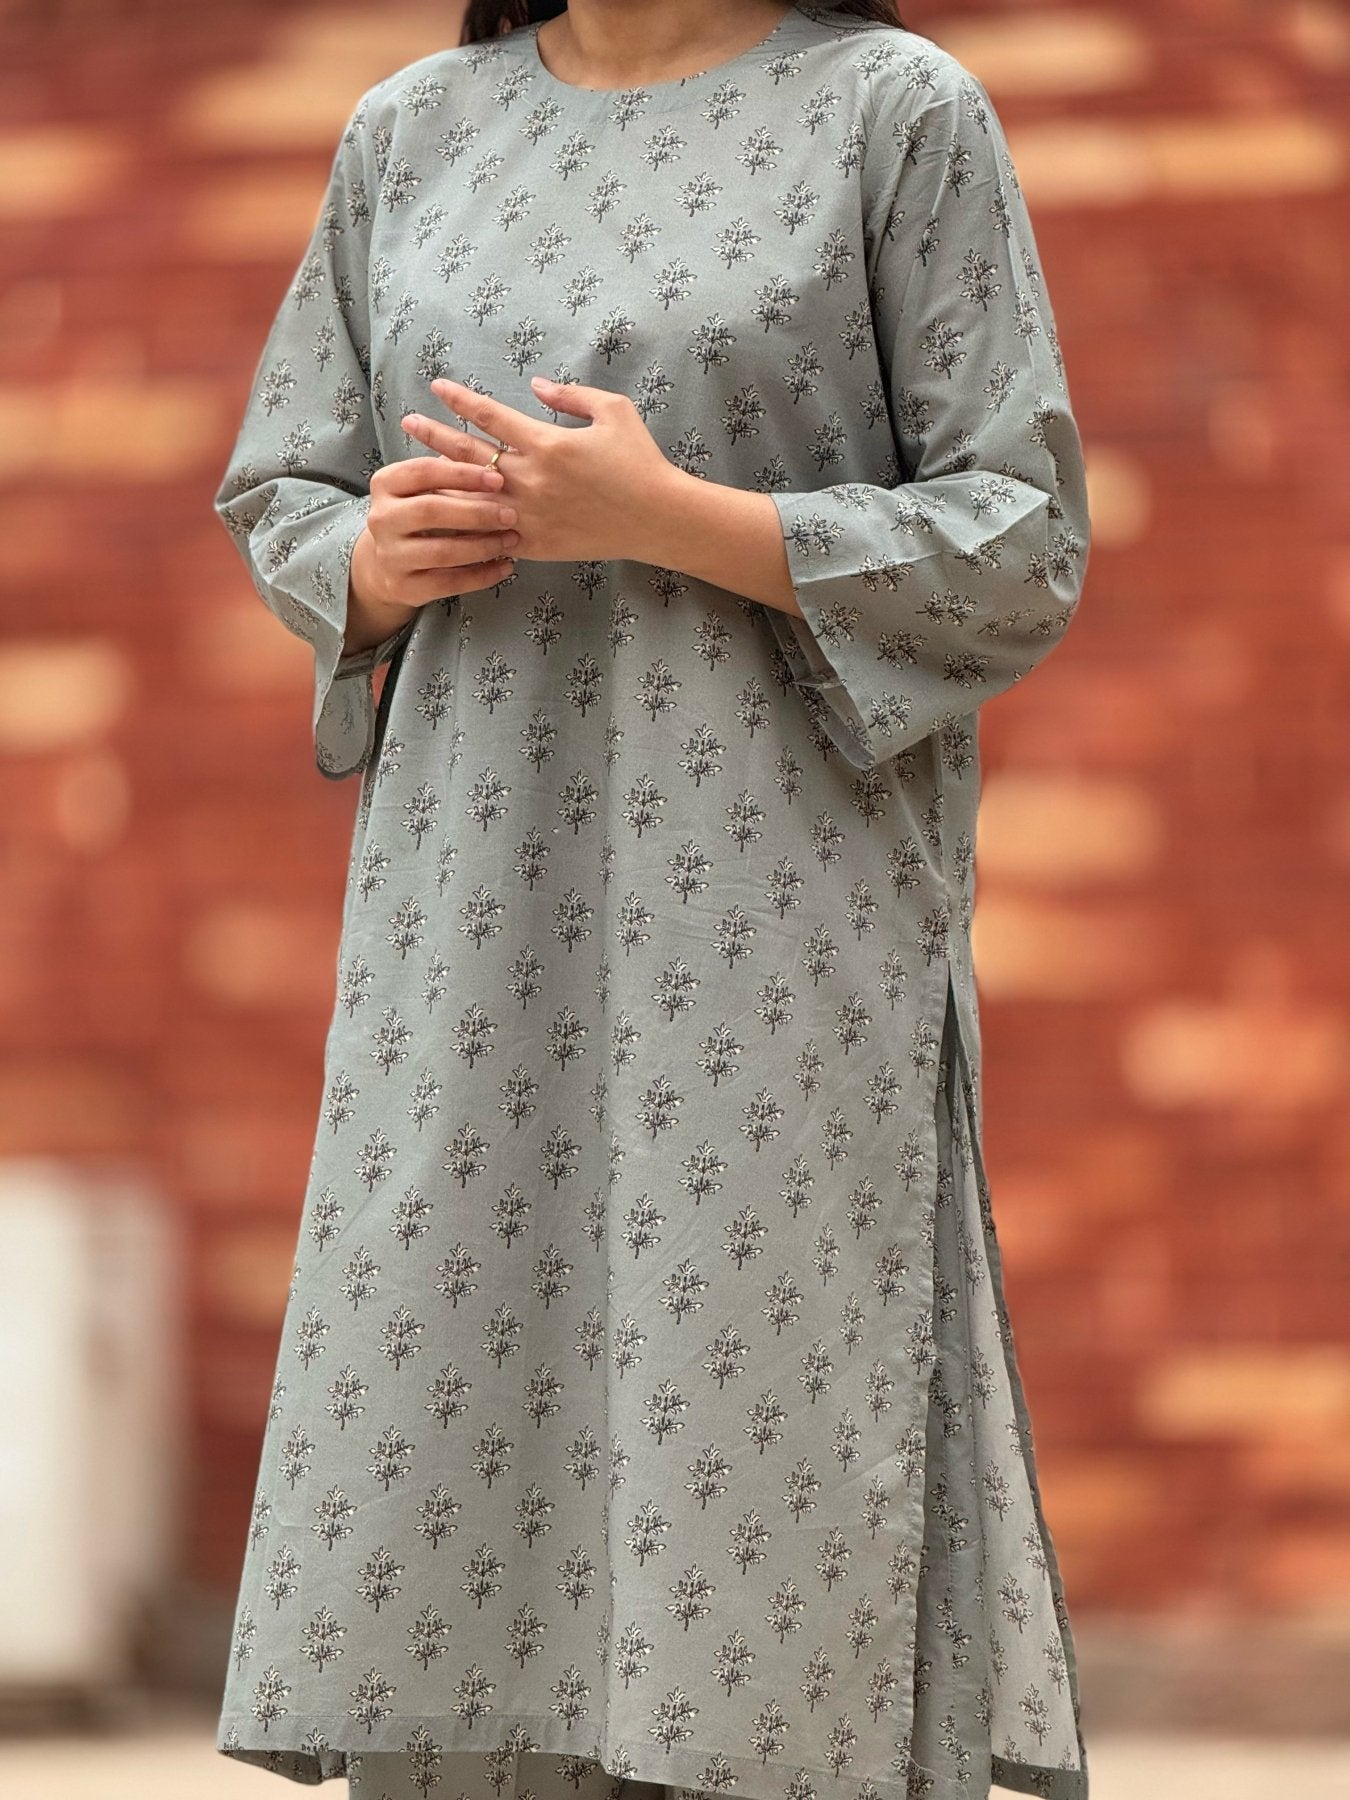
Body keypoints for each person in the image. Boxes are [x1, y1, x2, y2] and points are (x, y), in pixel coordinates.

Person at [212, 5, 1094, 1799]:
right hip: (470, 930)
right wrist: (367, 564)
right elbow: (284, 487)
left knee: (766, 1437)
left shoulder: (888, 111)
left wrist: (670, 514)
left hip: (771, 929)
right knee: (455, 1398)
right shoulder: (408, 132)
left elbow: (1020, 538)